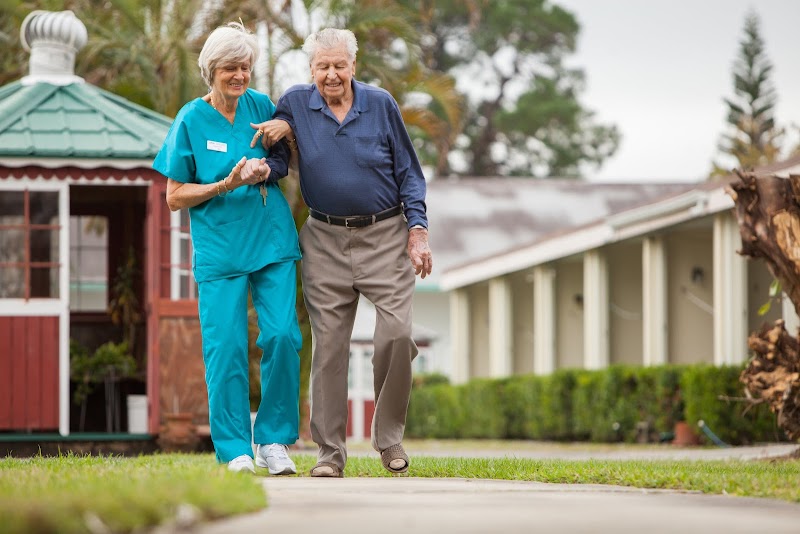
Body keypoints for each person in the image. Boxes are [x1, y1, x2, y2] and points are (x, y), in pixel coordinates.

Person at [250, 28, 433, 477]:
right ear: (311, 69)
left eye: (339, 65)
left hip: (386, 235)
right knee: (330, 347)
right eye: (322, 66)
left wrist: (418, 230)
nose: (331, 74)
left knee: (396, 334)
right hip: (325, 240)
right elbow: (279, 162)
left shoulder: (381, 104)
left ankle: (389, 440)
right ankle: (330, 454)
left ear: (354, 65)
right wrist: (265, 161)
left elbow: (409, 172)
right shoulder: (294, 102)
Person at [152, 21, 302, 475]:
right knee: (228, 347)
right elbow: (175, 195)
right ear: (210, 70)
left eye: (245, 67)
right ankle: (235, 447)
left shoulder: (260, 105)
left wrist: (267, 169)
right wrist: (225, 183)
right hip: (220, 250)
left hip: (271, 239)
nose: (239, 76)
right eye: (230, 68)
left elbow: (284, 158)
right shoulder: (191, 120)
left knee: (282, 336)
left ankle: (274, 441)